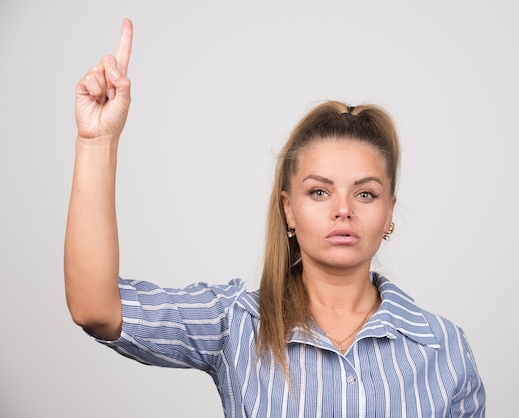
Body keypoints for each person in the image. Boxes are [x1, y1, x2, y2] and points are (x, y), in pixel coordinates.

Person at [65, 19, 486, 417]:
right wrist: (98, 141)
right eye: (319, 191)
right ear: (288, 208)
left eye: (365, 193)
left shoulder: (443, 348)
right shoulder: (236, 322)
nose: (344, 208)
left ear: (389, 212)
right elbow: (96, 308)